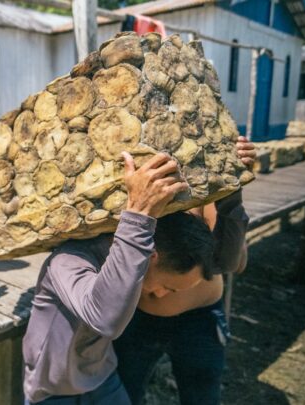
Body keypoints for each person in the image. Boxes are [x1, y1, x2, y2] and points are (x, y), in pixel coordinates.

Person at [23, 151, 216, 404]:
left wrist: (233, 196)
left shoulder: (132, 262)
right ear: (151, 257)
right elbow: (105, 319)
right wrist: (138, 217)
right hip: (52, 391)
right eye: (168, 287)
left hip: (102, 376)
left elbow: (232, 261)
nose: (160, 296)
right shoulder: (69, 259)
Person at [113, 136, 256, 405]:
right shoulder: (135, 193)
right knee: (126, 393)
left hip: (198, 321)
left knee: (201, 396)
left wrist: (235, 183)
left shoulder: (207, 193)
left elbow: (233, 263)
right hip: (138, 318)